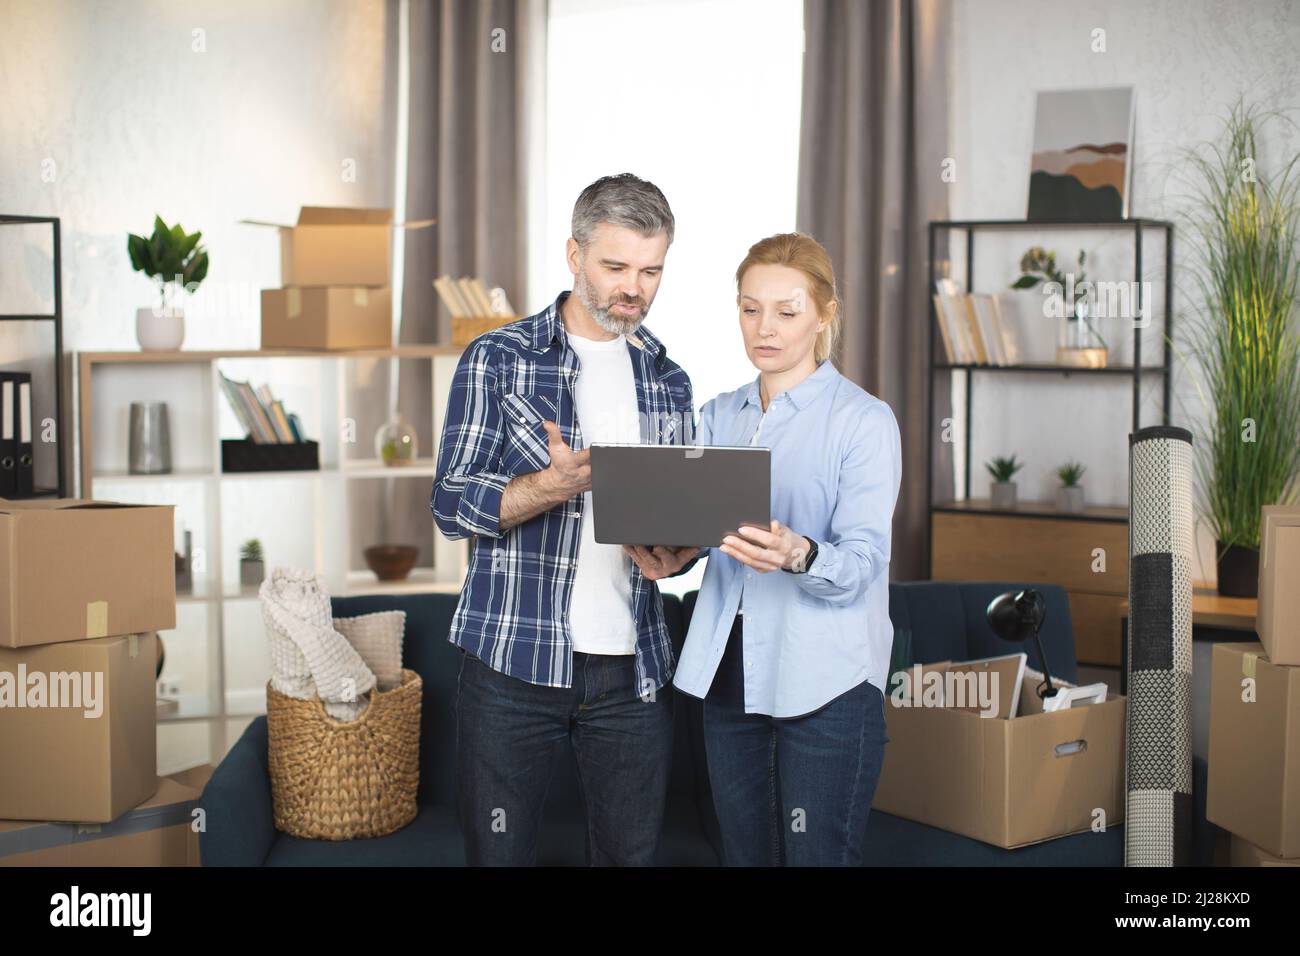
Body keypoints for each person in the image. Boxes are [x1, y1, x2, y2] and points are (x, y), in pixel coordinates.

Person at [431, 173, 697, 866]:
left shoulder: (669, 378)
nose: (632, 288)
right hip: (510, 663)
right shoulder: (497, 359)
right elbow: (449, 505)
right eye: (614, 267)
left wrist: (679, 556)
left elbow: (680, 522)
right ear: (574, 255)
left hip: (632, 672)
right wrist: (548, 488)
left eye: (650, 271)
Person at [655, 231, 902, 866]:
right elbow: (708, 530)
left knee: (815, 856)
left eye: (787, 311)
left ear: (825, 315)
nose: (764, 328)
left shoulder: (864, 421)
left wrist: (801, 554)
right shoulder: (718, 415)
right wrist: (676, 552)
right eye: (749, 308)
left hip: (826, 681)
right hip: (727, 676)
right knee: (744, 857)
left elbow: (865, 563)